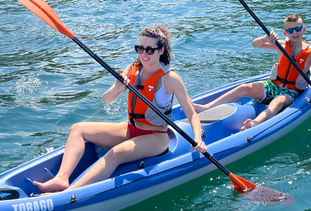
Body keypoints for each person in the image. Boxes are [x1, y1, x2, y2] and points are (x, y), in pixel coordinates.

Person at [35, 24, 207, 193]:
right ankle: (61, 178)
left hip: (156, 137)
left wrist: (198, 139)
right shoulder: (134, 68)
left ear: (161, 50)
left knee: (115, 153)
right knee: (78, 129)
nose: (143, 54)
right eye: (140, 48)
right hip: (131, 129)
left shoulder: (170, 78)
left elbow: (191, 113)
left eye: (149, 50)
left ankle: (69, 195)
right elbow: (106, 99)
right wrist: (117, 88)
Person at [193, 14, 311, 130]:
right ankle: (206, 108)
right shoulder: (280, 45)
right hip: (273, 85)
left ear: (303, 29)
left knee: (278, 101)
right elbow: (255, 44)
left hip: (291, 92)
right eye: (291, 30)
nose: (295, 33)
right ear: (285, 33)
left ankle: (255, 123)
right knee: (244, 87)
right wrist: (265, 38)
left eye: (298, 28)